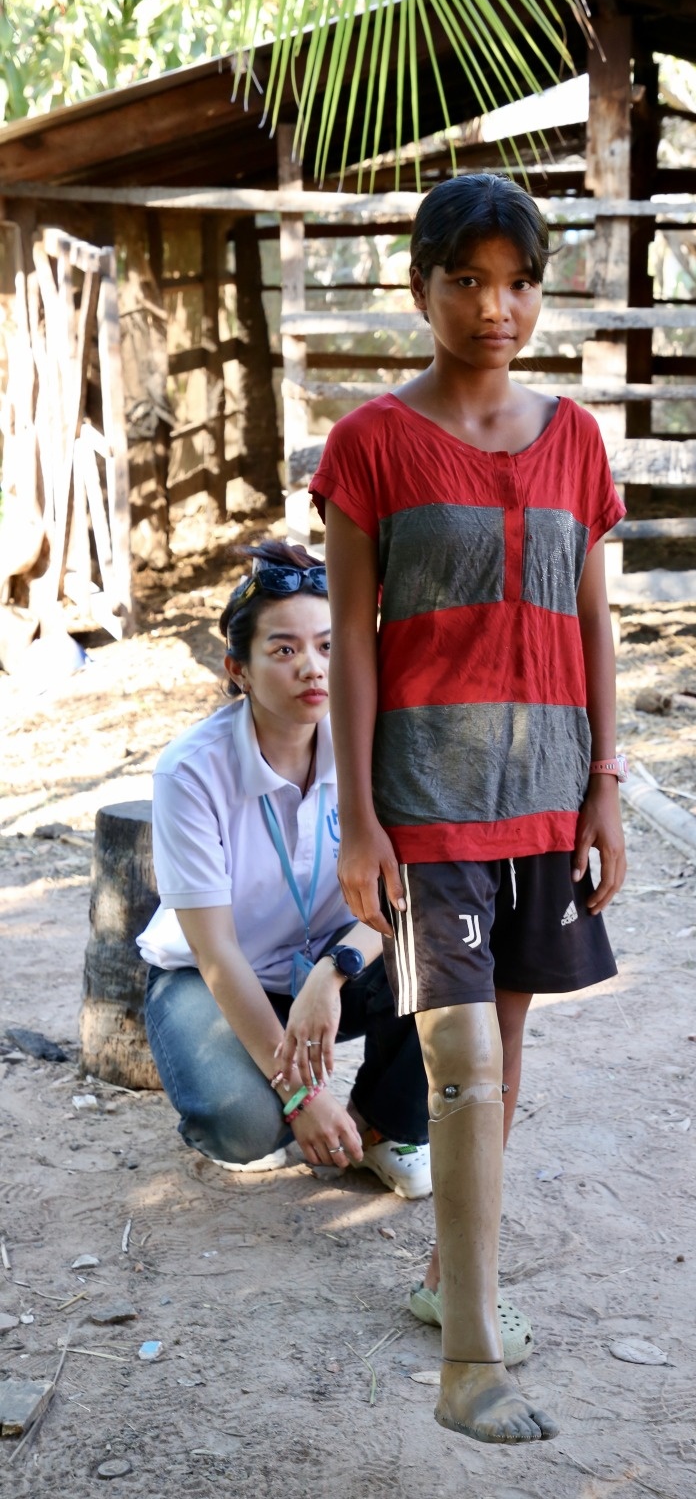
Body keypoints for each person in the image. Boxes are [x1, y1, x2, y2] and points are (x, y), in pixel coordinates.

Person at [307, 174, 627, 1444]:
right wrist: (354, 819)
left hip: (546, 793)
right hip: (425, 798)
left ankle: (451, 1275)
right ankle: (471, 1368)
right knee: (459, 1066)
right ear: (421, 289)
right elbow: (350, 638)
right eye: (467, 280)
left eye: (517, 281)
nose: (496, 307)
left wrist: (604, 789)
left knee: (504, 1062)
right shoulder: (370, 445)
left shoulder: (576, 442)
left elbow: (594, 621)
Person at [137, 540, 431, 1197]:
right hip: (214, 981)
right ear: (237, 670)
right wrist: (299, 1099)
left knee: (448, 941)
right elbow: (215, 956)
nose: (311, 669)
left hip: (334, 968)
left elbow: (405, 891)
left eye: (328, 647)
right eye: (283, 650)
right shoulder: (191, 771)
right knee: (242, 1128)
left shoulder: (377, 744)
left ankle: (383, 1125)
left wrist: (335, 972)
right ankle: (281, 1101)